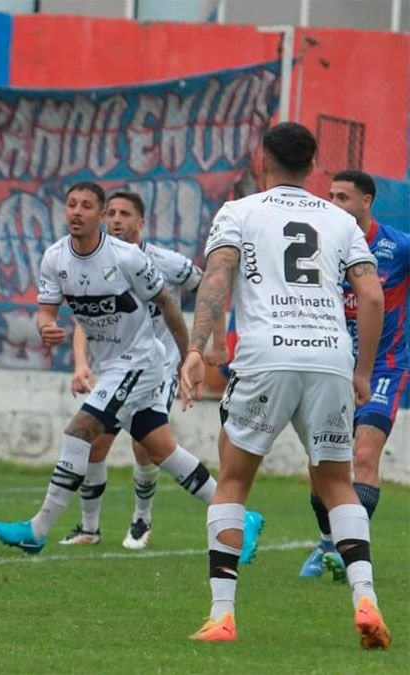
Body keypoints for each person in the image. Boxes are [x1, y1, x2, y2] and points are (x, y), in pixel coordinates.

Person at [180, 122, 389, 648]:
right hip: (329, 359)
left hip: (267, 354)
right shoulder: (342, 220)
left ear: (261, 159)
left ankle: (222, 616)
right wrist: (361, 370)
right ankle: (366, 599)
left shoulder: (240, 211)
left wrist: (196, 348)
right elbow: (372, 297)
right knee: (338, 484)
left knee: (232, 480)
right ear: (313, 165)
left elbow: (218, 276)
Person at [0, 182, 252, 559]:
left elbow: (169, 305)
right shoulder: (54, 258)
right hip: (109, 363)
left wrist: (187, 357)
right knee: (160, 449)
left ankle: (38, 528)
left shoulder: (129, 258)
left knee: (80, 431)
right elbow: (48, 310)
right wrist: (46, 326)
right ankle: (240, 517)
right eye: (71, 205)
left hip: (141, 361)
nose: (78, 212)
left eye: (88, 207)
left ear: (99, 214)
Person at [64, 191, 224, 549]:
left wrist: (216, 343)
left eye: (125, 214)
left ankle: (142, 519)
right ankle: (89, 528)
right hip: (117, 369)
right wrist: (81, 363)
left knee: (146, 446)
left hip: (159, 369)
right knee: (95, 443)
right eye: (113, 214)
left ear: (141, 222)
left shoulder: (165, 263)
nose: (117, 220)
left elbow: (210, 288)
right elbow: (85, 320)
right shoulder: (101, 260)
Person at [296, 170, 410, 580]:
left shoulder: (398, 247)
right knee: (320, 464)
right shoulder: (320, 247)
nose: (334, 204)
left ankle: (350, 553)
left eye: (343, 196)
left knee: (363, 455)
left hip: (384, 367)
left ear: (367, 201)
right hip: (331, 365)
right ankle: (328, 541)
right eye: (330, 196)